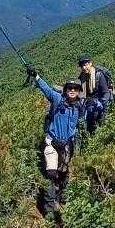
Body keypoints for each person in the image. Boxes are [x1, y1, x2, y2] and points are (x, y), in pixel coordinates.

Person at [26, 67, 85, 219]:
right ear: (65, 90)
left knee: (63, 171)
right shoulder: (58, 99)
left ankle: (63, 195)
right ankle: (49, 208)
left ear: (79, 91)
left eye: (75, 88)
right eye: (70, 88)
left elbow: (79, 125)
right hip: (52, 143)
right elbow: (46, 89)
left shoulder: (79, 106)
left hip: (67, 145)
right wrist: (36, 76)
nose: (72, 90)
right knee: (51, 173)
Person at [78, 56, 113, 132]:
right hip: (89, 103)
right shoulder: (82, 76)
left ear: (90, 63)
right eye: (82, 66)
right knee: (89, 124)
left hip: (99, 102)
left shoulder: (98, 75)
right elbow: (82, 92)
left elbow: (106, 92)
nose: (83, 68)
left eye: (85, 65)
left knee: (99, 123)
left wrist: (102, 105)